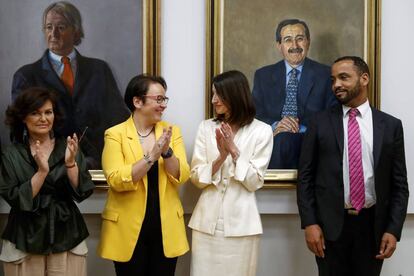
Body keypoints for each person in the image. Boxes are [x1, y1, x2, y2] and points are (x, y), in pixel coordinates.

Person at [297, 56, 409, 276]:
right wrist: (309, 223)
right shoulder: (319, 123)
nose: (336, 84)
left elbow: (399, 185)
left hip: (373, 229)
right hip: (329, 229)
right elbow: (306, 178)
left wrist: (393, 230)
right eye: (333, 79)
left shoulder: (390, 126)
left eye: (343, 77)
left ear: (364, 78)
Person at [11, 1, 129, 169]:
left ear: (76, 30)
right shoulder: (26, 75)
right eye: (49, 27)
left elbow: (119, 118)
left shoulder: (99, 70)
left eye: (61, 27)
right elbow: (19, 130)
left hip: (100, 163)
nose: (54, 33)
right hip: (49, 168)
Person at [97, 74, 190, 276]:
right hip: (127, 229)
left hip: (165, 228)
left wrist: (166, 152)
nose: (163, 105)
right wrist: (152, 156)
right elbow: (115, 179)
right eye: (158, 99)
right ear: (137, 101)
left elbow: (182, 175)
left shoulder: (171, 132)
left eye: (164, 99)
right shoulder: (115, 134)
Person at [0, 87, 95, 276]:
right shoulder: (11, 154)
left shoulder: (69, 147)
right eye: (35, 113)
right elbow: (17, 199)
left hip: (68, 232)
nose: (43, 119)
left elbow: (83, 191)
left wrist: (70, 164)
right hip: (24, 235)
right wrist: (42, 172)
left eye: (48, 112)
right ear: (23, 118)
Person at [189, 70, 273, 276]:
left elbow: (254, 182)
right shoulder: (206, 127)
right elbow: (196, 178)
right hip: (206, 224)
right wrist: (220, 157)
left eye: (218, 94)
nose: (213, 100)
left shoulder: (262, 131)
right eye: (212, 94)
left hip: (242, 226)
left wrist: (234, 151)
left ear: (235, 95)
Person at [252, 18, 337, 169]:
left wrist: (298, 127)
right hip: (274, 140)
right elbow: (256, 114)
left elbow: (333, 114)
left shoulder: (326, 75)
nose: (294, 46)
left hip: (312, 141)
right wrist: (276, 125)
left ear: (308, 42)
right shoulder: (263, 75)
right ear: (279, 45)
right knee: (282, 140)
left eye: (300, 39)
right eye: (288, 40)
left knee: (286, 140)